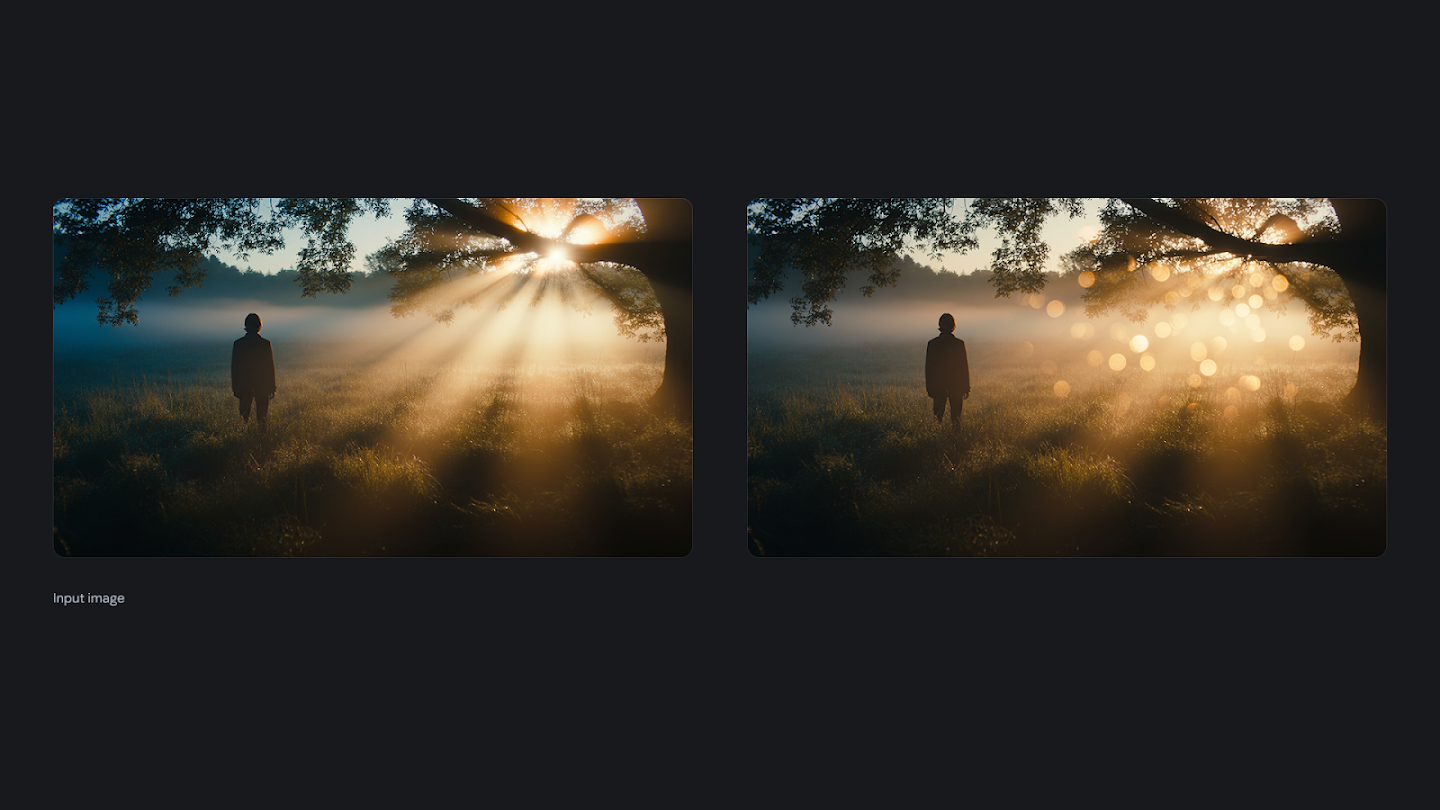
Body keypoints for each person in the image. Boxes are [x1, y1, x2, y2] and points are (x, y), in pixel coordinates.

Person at [232, 313, 276, 428]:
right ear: (259, 326)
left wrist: (235, 388)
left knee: (243, 420)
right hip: (262, 385)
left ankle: (243, 438)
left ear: (246, 326)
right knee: (262, 419)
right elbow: (270, 367)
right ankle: (262, 437)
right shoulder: (265, 344)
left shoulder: (238, 344)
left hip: (244, 385)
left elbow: (235, 368)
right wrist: (272, 387)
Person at [925, 312, 970, 425]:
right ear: (953, 326)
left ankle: (936, 436)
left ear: (940, 325)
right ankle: (956, 436)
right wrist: (966, 387)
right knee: (956, 418)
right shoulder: (959, 344)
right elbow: (964, 367)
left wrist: (929, 388)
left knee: (937, 419)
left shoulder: (932, 344)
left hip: (938, 385)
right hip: (957, 385)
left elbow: (928, 368)